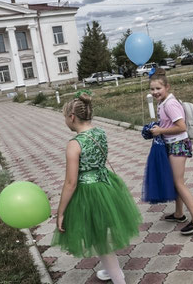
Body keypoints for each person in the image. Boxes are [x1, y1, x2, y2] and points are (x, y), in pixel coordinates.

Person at [51, 91, 141, 283]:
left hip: (88, 192)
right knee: (102, 230)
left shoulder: (74, 144)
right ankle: (110, 271)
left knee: (100, 239)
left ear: (72, 117)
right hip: (106, 185)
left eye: (65, 118)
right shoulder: (100, 132)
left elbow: (71, 182)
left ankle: (118, 279)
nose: (65, 122)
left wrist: (61, 211)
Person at [149, 69, 193, 235]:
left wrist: (160, 131)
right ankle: (179, 214)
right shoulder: (163, 102)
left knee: (178, 183)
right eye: (152, 89)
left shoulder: (171, 104)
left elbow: (181, 127)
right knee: (176, 181)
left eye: (158, 89)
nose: (155, 92)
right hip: (172, 144)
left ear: (167, 87)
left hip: (178, 144)